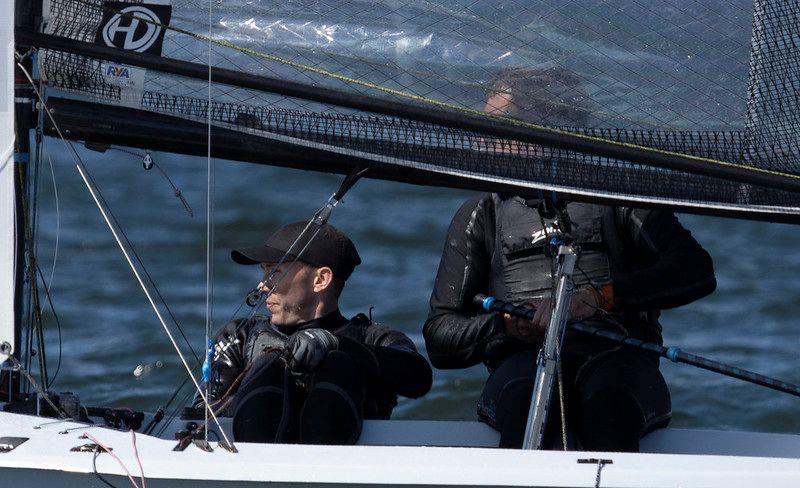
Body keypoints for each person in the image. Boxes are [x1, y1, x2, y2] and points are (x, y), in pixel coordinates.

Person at [423, 67, 717, 451]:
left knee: (607, 407)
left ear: (549, 124)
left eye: (503, 123)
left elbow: (696, 271)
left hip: (618, 363)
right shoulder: (482, 214)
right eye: (484, 123)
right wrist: (505, 327)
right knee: (534, 406)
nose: (485, 137)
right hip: (521, 367)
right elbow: (439, 338)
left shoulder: (617, 199)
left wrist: (597, 300)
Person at [196, 221, 432, 445]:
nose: (262, 285)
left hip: (341, 470)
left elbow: (419, 377)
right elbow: (203, 411)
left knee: (337, 364)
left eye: (275, 272)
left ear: (321, 279)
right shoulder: (240, 336)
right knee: (268, 365)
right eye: (264, 272)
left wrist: (337, 345)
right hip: (256, 468)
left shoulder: (372, 337)